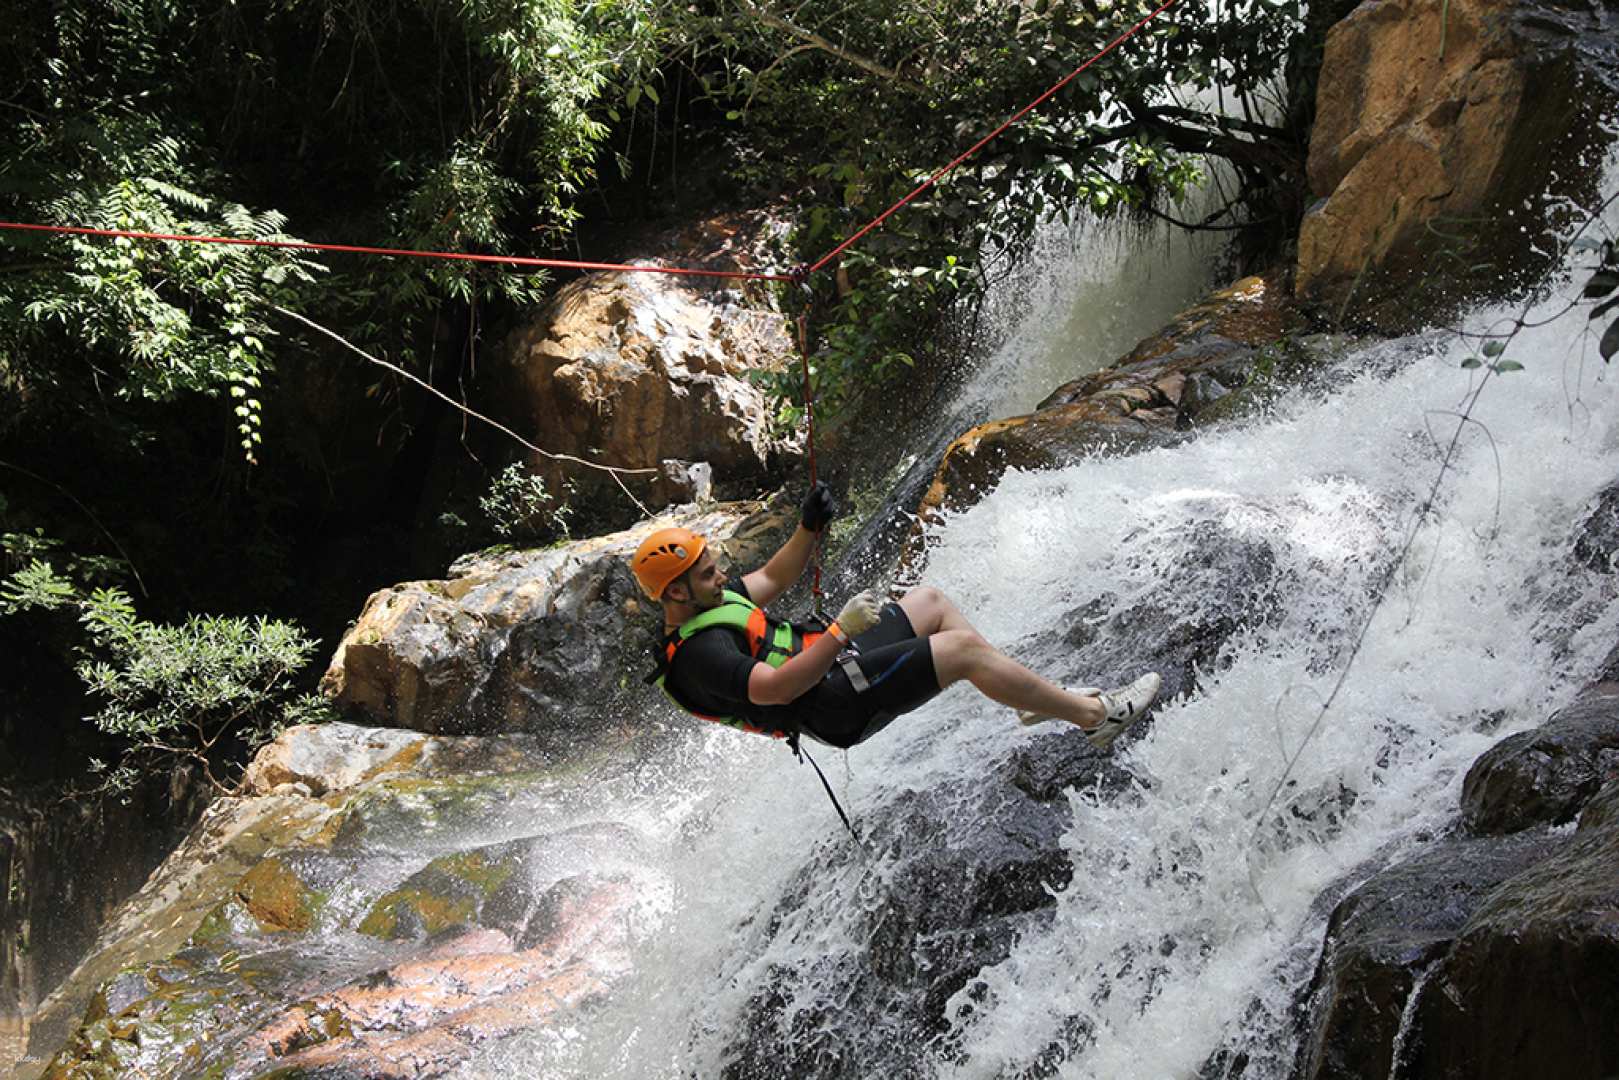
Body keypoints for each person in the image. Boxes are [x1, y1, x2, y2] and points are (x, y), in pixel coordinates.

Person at [634, 483, 1162, 751]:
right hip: (832, 705)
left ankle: (1032, 703)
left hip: (835, 668)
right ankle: (1097, 718)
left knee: (930, 602)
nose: (720, 575)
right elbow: (776, 690)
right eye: (706, 574)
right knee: (960, 654)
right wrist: (840, 631)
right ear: (675, 594)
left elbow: (773, 578)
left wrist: (808, 527)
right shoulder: (700, 655)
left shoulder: (713, 598)